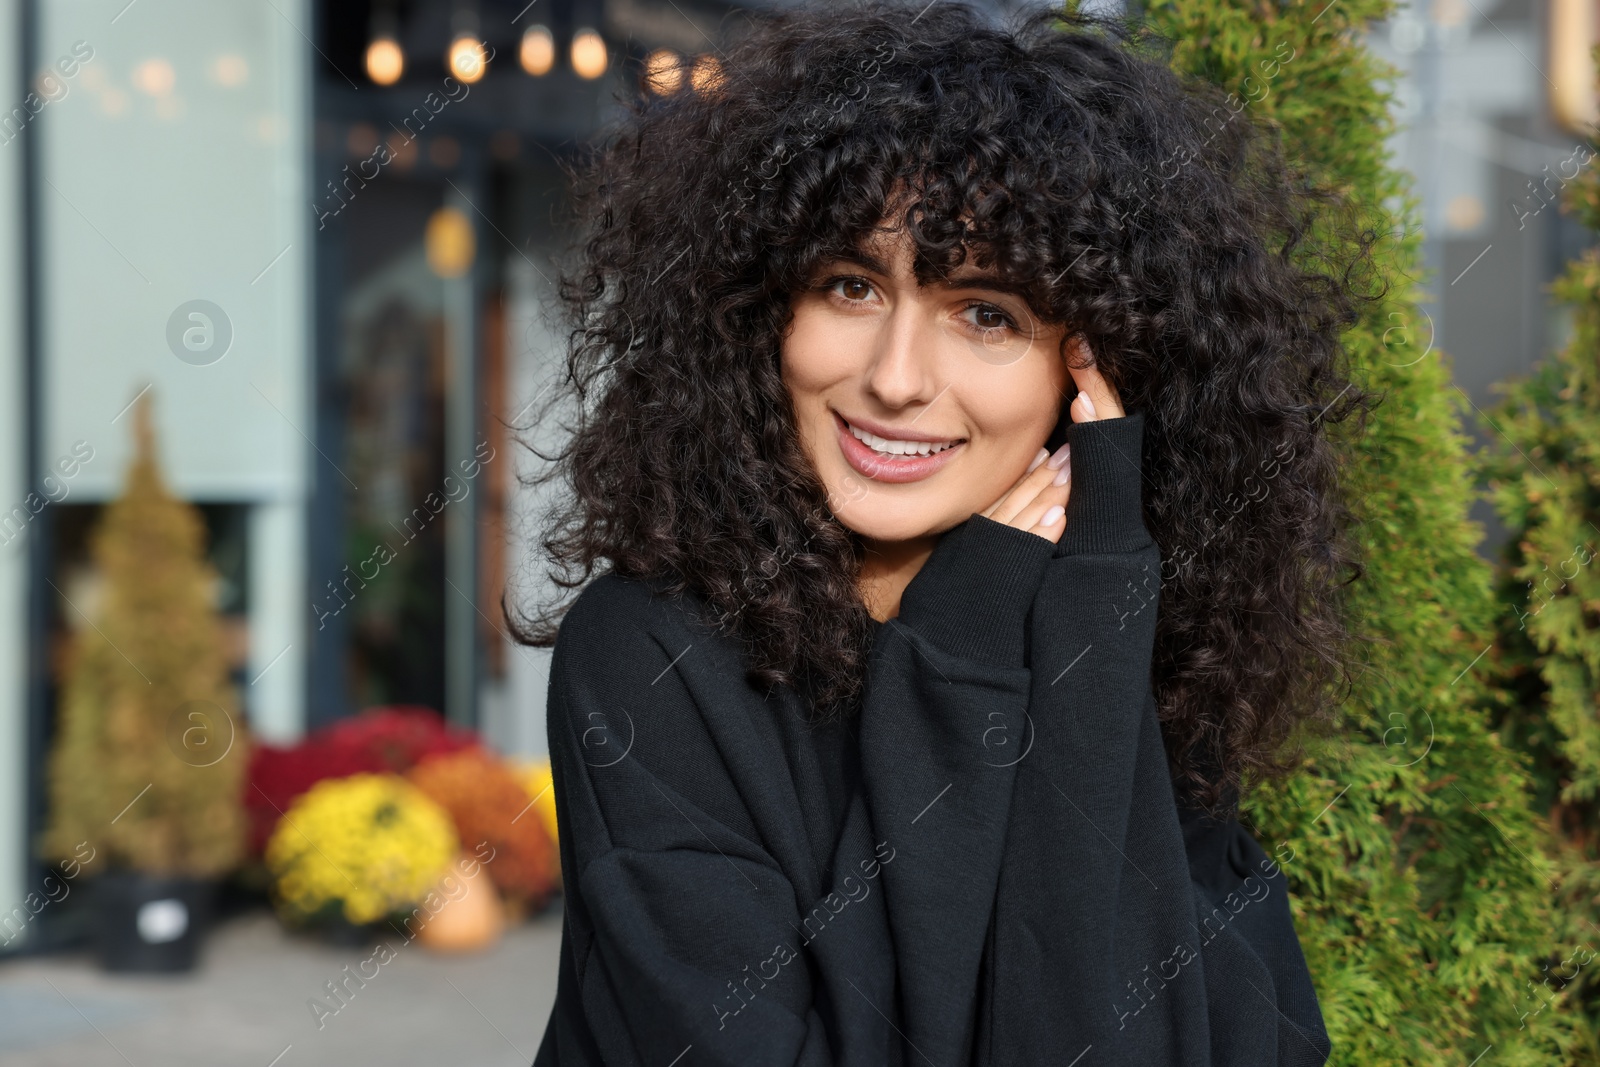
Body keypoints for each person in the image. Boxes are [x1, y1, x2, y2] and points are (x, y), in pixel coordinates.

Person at [513, 1, 1371, 1062]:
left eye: (987, 313)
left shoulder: (1116, 631)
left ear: (1092, 366)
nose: (894, 377)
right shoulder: (651, 650)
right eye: (849, 284)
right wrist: (960, 644)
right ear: (755, 312)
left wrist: (1095, 606)